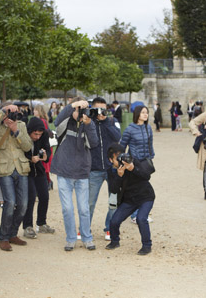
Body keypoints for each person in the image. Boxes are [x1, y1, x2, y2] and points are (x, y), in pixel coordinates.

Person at [50, 97, 99, 251]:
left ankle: (86, 238)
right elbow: (57, 122)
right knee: (67, 209)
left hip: (82, 172)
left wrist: (89, 124)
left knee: (84, 209)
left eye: (84, 108)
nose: (82, 112)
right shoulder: (65, 122)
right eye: (80, 109)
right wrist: (72, 106)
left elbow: (94, 143)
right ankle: (71, 238)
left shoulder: (88, 124)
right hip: (64, 171)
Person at [0, 103, 33, 251]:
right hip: (5, 168)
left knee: (23, 204)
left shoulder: (21, 125)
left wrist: (16, 130)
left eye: (15, 112)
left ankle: (13, 233)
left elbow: (27, 147)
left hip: (21, 168)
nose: (13, 115)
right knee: (10, 202)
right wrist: (2, 113)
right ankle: (4, 237)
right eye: (10, 112)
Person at [105, 143, 154, 255]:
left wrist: (133, 169)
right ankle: (115, 241)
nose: (121, 161)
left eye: (121, 156)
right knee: (114, 221)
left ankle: (147, 246)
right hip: (129, 200)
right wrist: (119, 176)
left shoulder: (133, 161)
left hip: (145, 196)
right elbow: (113, 190)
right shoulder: (112, 170)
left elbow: (147, 176)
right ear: (111, 160)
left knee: (141, 219)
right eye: (117, 158)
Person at [88, 97, 122, 241]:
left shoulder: (112, 121)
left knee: (113, 202)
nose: (101, 112)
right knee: (89, 202)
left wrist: (106, 121)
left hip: (111, 169)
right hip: (94, 169)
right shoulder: (89, 123)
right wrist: (92, 121)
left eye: (104, 109)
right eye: (98, 109)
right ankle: (84, 228)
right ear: (93, 109)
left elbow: (117, 137)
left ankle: (110, 228)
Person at [120, 105, 155, 224]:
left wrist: (151, 157)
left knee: (144, 187)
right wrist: (124, 161)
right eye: (143, 112)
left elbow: (150, 144)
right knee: (135, 187)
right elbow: (122, 146)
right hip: (133, 163)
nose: (146, 115)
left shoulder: (148, 128)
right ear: (137, 114)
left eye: (147, 112)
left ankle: (141, 213)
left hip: (145, 162)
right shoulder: (129, 129)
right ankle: (135, 215)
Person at [22, 117, 54, 238]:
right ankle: (27, 226)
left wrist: (45, 156)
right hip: (27, 170)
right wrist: (30, 158)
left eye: (40, 134)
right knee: (30, 198)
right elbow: (21, 152)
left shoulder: (44, 135)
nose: (37, 137)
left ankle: (41, 223)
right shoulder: (24, 136)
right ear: (30, 131)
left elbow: (47, 149)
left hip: (39, 169)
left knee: (44, 196)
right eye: (35, 134)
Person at [33, 104, 54, 189]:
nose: (33, 111)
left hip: (44, 146)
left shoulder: (42, 121)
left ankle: (48, 182)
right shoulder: (43, 120)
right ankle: (48, 182)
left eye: (35, 110)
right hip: (45, 146)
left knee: (43, 166)